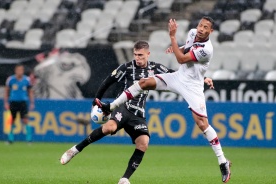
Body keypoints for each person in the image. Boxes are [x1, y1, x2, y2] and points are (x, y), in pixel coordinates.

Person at [95, 16, 231, 183]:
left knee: (202, 124)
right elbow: (186, 51)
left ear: (211, 31)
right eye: (200, 25)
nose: (201, 29)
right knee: (143, 83)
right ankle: (111, 106)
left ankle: (223, 161)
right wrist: (178, 47)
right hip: (178, 77)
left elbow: (181, 59)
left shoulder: (207, 49)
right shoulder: (192, 33)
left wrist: (172, 38)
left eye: (206, 27)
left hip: (193, 86)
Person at [60, 40, 214, 184]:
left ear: (148, 54)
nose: (137, 58)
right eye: (135, 55)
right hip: (123, 107)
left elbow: (179, 76)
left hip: (138, 114)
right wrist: (96, 99)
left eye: (140, 55)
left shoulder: (156, 68)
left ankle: (124, 179)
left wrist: (203, 78)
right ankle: (75, 150)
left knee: (143, 143)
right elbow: (108, 81)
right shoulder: (126, 67)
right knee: (109, 128)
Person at [4, 64, 34, 144]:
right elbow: (6, 91)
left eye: (21, 70)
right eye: (18, 70)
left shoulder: (27, 80)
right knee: (12, 120)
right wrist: (6, 102)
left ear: (23, 71)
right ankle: (10, 139)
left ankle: (29, 140)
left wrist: (32, 102)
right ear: (15, 71)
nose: (20, 71)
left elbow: (30, 92)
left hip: (23, 103)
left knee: (25, 120)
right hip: (13, 102)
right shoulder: (10, 79)